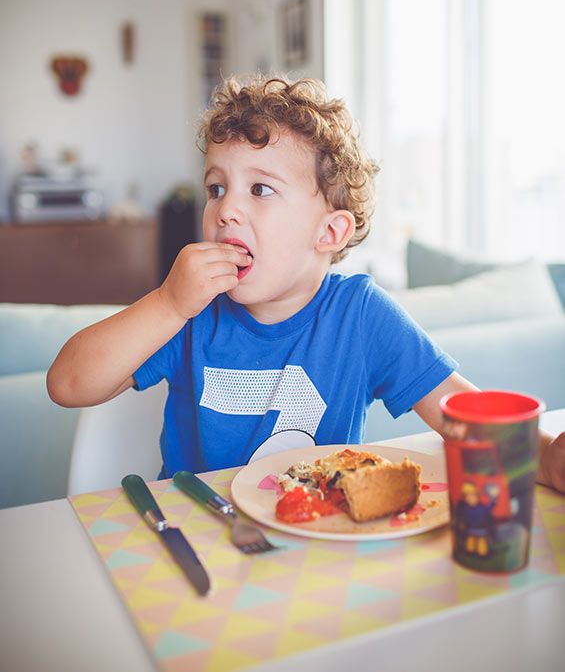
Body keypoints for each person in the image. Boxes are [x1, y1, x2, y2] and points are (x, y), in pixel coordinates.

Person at [47, 76, 565, 492]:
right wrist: (167, 303)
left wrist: (544, 459)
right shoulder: (190, 311)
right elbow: (68, 385)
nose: (226, 209)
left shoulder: (360, 315)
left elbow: (459, 415)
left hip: (318, 541)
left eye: (260, 189)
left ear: (329, 232)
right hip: (197, 530)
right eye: (217, 187)